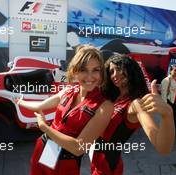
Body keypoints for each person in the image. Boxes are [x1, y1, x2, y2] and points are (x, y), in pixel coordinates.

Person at [16, 45, 114, 175]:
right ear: (75, 71)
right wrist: (20, 101)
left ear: (101, 73)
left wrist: (45, 127)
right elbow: (39, 106)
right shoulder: (68, 91)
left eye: (95, 70)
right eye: (84, 69)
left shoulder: (104, 106)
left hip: (66, 161)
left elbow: (79, 148)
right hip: (45, 149)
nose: (90, 76)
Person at [90, 54, 175, 175]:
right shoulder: (113, 98)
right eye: (111, 71)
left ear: (130, 69)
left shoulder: (136, 104)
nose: (114, 75)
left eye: (119, 68)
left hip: (108, 168)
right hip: (96, 161)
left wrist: (167, 115)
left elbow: (163, 148)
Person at [161, 64, 176, 137]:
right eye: (175, 70)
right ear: (171, 71)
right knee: (171, 119)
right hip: (171, 102)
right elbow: (164, 93)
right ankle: (169, 133)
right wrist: (165, 105)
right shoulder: (166, 80)